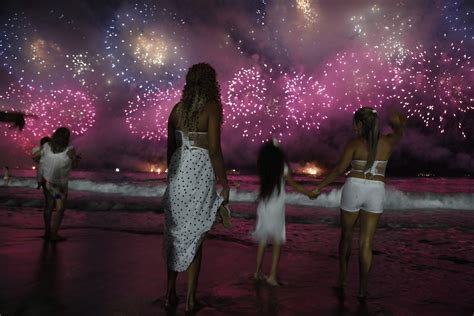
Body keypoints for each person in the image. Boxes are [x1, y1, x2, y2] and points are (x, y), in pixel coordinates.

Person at [311, 107, 406, 300]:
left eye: (355, 122)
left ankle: (342, 279)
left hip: (354, 188)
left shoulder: (354, 144)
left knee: (346, 237)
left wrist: (319, 187)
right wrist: (398, 123)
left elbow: (338, 170)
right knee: (366, 244)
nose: (353, 126)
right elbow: (400, 131)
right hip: (376, 190)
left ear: (362, 124)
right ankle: (362, 290)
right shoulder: (388, 142)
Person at [162, 63, 231, 312]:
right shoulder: (211, 109)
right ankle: (191, 299)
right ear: (211, 84)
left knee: (174, 236)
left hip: (178, 177)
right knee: (196, 238)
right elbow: (213, 150)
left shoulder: (176, 111)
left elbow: (170, 150)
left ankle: (170, 293)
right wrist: (224, 181)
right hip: (200, 175)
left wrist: (172, 179)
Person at [252, 139, 315, 286]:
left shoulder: (263, 166)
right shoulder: (282, 166)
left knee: (262, 239)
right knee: (277, 240)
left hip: (263, 205)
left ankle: (257, 272)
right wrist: (309, 193)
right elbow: (293, 185)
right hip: (276, 207)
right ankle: (272, 276)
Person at [40, 127, 80, 241]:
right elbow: (75, 165)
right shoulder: (70, 150)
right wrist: (77, 159)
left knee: (48, 206)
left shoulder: (46, 146)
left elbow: (42, 159)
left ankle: (47, 232)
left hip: (46, 181)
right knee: (60, 208)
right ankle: (54, 234)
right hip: (58, 184)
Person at [32, 136, 52, 238]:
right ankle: (48, 230)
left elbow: (40, 167)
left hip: (46, 180)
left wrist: (39, 182)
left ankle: (48, 230)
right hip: (49, 181)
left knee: (49, 204)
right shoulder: (45, 153)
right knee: (51, 204)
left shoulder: (41, 153)